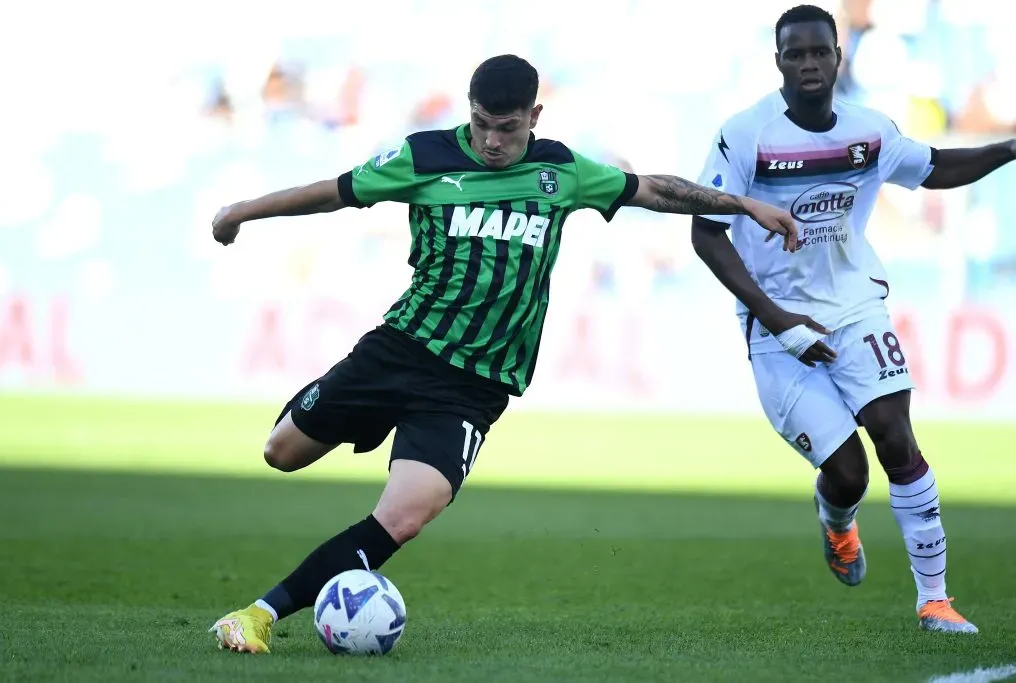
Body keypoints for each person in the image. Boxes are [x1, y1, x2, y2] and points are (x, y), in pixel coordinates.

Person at [209, 54, 798, 653]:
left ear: (534, 116)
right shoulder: (425, 156)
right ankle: (359, 421)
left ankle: (258, 615)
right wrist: (239, 213)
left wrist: (745, 205)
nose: (492, 141)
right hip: (400, 350)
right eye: (482, 124)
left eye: (508, 128)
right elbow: (331, 194)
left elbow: (654, 190)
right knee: (280, 452)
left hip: (473, 387)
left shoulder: (561, 171)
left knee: (405, 518)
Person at [691, 4, 1016, 634]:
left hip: (856, 306)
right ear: (778, 61)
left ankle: (935, 600)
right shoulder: (746, 133)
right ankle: (837, 521)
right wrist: (776, 318)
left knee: (897, 436)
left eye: (820, 52)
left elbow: (936, 168)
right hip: (775, 324)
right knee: (848, 474)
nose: (809, 64)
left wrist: (1009, 147)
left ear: (839, 57)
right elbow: (707, 234)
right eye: (796, 54)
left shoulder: (869, 130)